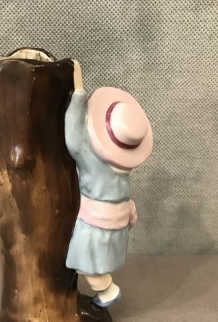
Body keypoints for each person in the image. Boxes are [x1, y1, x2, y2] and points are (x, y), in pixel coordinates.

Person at [65, 60, 153, 307]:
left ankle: (108, 290)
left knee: (88, 265)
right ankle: (105, 289)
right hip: (118, 218)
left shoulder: (93, 159)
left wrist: (79, 93)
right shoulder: (122, 167)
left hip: (96, 222)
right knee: (94, 261)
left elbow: (74, 137)